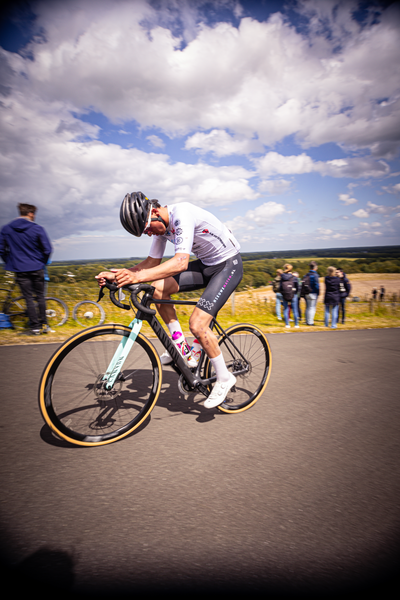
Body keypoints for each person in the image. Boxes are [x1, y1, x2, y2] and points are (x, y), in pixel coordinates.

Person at [96, 192, 243, 409]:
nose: (148, 234)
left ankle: (224, 378)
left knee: (197, 324)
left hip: (228, 266)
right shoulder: (158, 226)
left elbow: (180, 262)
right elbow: (151, 262)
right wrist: (119, 275)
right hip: (205, 265)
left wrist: (136, 277)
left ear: (154, 212)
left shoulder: (181, 213)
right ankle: (183, 349)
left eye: (146, 229)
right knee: (156, 290)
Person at [0, 203, 52, 335]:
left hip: (20, 269)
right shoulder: (37, 229)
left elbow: (1, 250)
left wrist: (12, 262)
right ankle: (45, 325)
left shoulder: (6, 229)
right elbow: (48, 249)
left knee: (28, 297)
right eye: (34, 214)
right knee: (40, 296)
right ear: (30, 213)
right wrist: (42, 262)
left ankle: (34, 328)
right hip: (36, 267)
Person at [280, 263, 299, 329]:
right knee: (295, 310)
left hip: (285, 294)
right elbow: (297, 287)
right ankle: (296, 324)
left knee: (285, 309)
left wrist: (283, 293)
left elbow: (280, 287)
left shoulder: (282, 277)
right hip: (293, 295)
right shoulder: (294, 277)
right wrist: (295, 293)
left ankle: (287, 324)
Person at [301, 261, 320, 325]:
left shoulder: (307, 275)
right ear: (315, 267)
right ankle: (310, 322)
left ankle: (307, 320)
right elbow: (316, 285)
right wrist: (318, 292)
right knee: (312, 308)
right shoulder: (315, 275)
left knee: (308, 307)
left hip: (306, 292)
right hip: (313, 292)